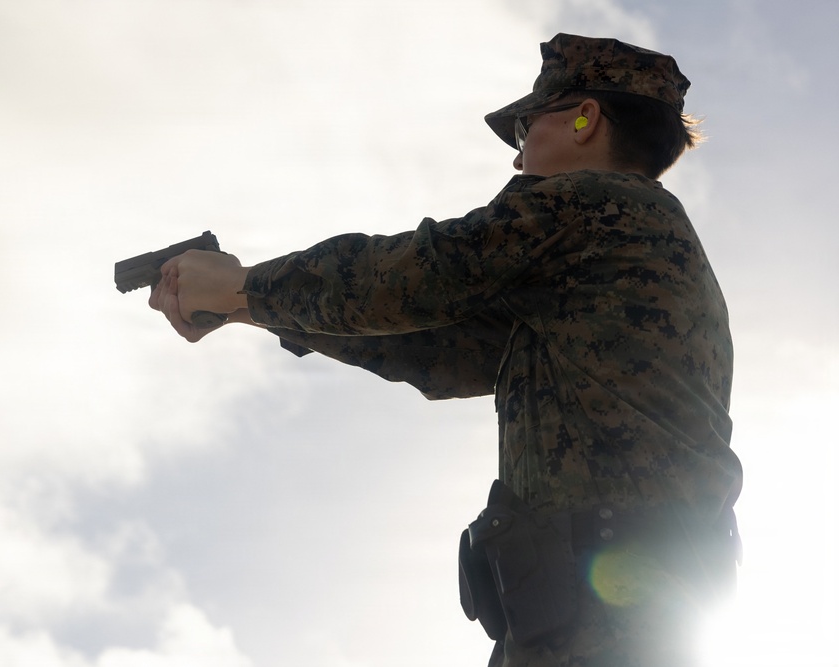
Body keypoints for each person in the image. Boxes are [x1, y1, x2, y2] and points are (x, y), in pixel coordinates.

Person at [148, 33, 743, 667]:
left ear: (584, 117)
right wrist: (248, 306)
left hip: (607, 618)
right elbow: (437, 347)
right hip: (611, 615)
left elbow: (419, 274)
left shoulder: (596, 206)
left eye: (523, 132)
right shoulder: (613, 253)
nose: (518, 161)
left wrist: (247, 286)